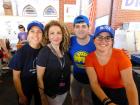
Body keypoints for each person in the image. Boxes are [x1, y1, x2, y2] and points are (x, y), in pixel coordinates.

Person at [85, 25, 138, 105]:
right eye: (99, 37)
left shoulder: (121, 56)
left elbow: (129, 84)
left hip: (119, 91)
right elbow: (94, 83)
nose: (103, 41)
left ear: (112, 41)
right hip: (100, 90)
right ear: (94, 40)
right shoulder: (89, 58)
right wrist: (107, 102)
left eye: (107, 38)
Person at [8, 20, 44, 105]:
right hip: (25, 87)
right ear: (28, 35)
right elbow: (16, 77)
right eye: (32, 31)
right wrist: (21, 95)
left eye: (39, 32)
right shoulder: (21, 53)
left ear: (43, 35)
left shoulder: (45, 51)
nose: (35, 34)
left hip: (40, 87)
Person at [36, 20, 71, 105]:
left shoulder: (64, 51)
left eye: (58, 33)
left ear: (62, 35)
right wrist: (42, 97)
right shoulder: (44, 52)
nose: (56, 36)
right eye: (52, 33)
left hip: (64, 91)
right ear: (47, 36)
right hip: (51, 94)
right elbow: (39, 77)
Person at [69, 15, 96, 105]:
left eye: (84, 26)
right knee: (75, 99)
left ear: (88, 28)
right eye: (77, 26)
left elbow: (109, 49)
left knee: (88, 101)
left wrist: (124, 53)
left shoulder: (96, 41)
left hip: (92, 79)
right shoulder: (70, 41)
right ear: (74, 29)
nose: (80, 29)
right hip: (75, 77)